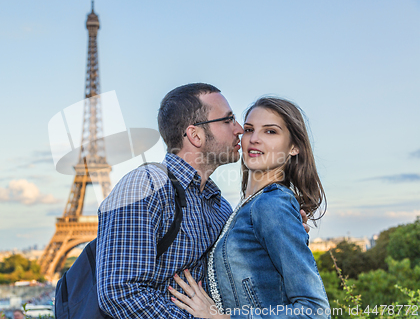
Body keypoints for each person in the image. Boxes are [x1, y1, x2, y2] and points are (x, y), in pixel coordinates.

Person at [96, 84, 309, 318]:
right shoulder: (146, 186)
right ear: (195, 135)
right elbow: (119, 292)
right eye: (228, 120)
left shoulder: (219, 206)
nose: (239, 129)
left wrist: (281, 230)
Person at [168, 97, 331, 318]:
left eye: (270, 131)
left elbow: (315, 311)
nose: (254, 139)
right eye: (249, 129)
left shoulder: (273, 204)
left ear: (294, 147)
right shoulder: (243, 207)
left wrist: (221, 317)